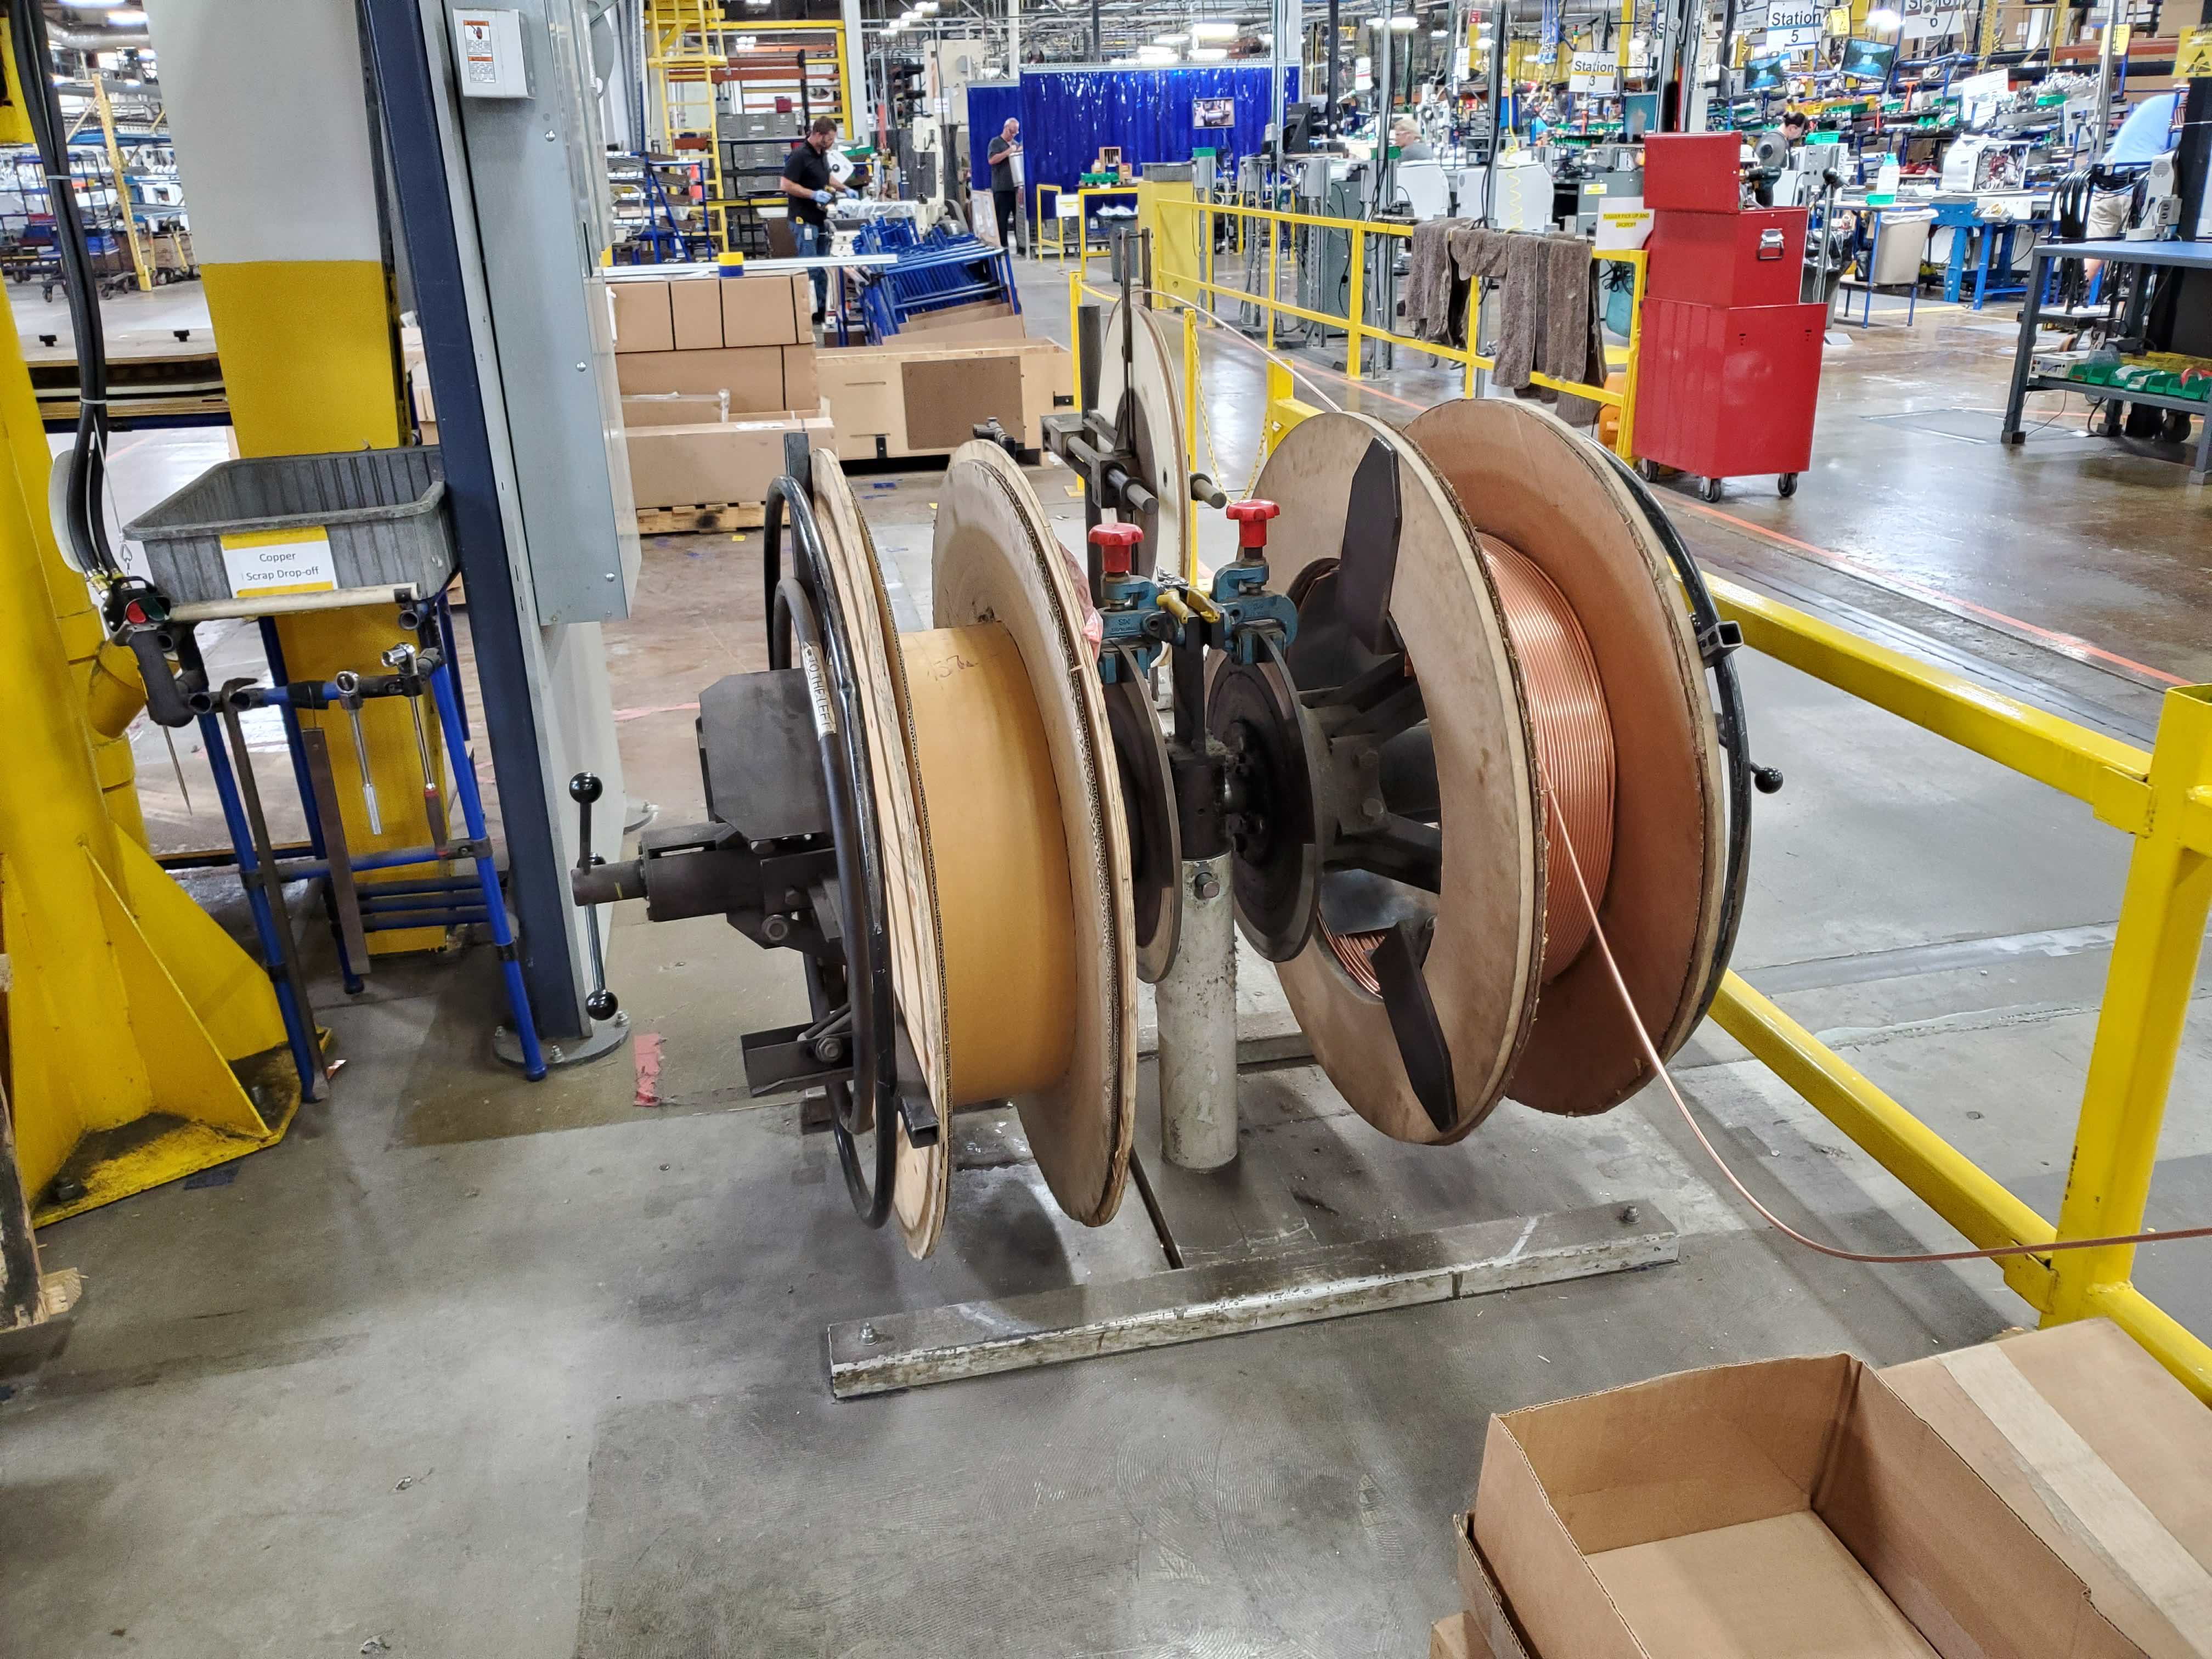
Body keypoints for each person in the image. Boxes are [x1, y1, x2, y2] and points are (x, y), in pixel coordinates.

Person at [780, 116, 844, 325]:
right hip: (804, 220)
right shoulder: (799, 156)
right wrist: (813, 194)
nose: (832, 143)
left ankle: (824, 309)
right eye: (830, 139)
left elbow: (826, 178)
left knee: (824, 268)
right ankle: (811, 314)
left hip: (819, 220)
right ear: (818, 134)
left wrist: (846, 188)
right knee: (811, 268)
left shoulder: (821, 154)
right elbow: (786, 185)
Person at [987, 118, 1023, 253]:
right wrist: (1008, 153)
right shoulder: (996, 143)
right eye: (1012, 132)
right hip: (1002, 189)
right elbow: (992, 160)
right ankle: (1003, 247)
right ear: (1006, 129)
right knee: (1001, 220)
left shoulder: (1015, 144)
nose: (1013, 135)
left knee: (1019, 220)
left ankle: (1021, 247)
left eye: (1016, 133)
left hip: (1016, 189)